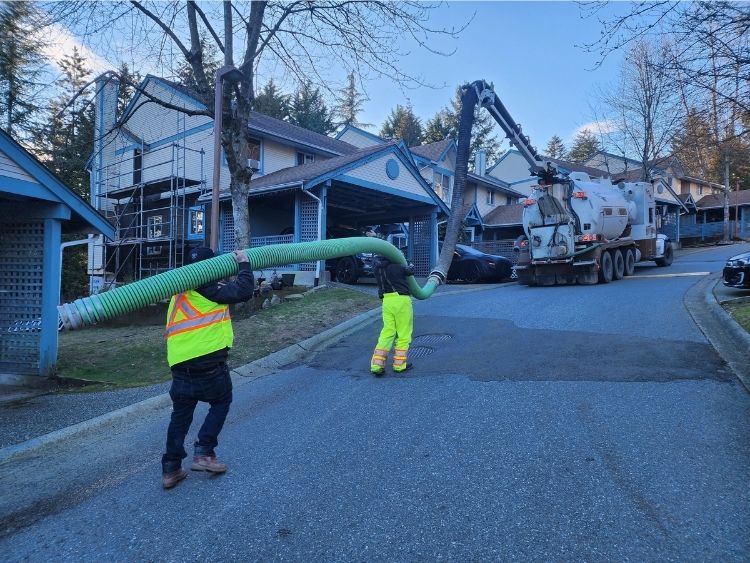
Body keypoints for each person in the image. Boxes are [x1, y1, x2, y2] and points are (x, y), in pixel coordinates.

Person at [161, 246, 254, 489]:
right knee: (221, 402)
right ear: (210, 267)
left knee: (180, 416)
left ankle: (171, 469)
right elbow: (244, 291)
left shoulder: (179, 292)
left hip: (179, 366)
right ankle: (204, 452)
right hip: (208, 365)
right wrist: (244, 264)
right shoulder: (210, 290)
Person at [370, 256, 415, 376]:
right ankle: (399, 365)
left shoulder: (377, 268)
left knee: (387, 332)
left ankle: (377, 365)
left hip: (386, 301)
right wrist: (409, 266)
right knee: (404, 333)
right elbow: (410, 271)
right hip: (401, 300)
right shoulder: (396, 266)